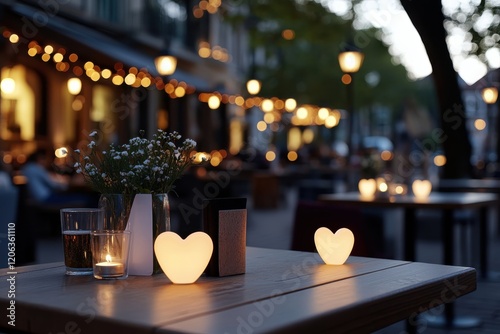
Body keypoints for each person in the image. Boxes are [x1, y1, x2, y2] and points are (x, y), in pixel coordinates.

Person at [21, 149, 94, 207]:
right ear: (39, 158)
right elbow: (52, 184)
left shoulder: (28, 168)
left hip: (40, 198)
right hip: (46, 198)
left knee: (83, 198)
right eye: (44, 159)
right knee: (86, 199)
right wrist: (68, 184)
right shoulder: (35, 168)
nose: (46, 162)